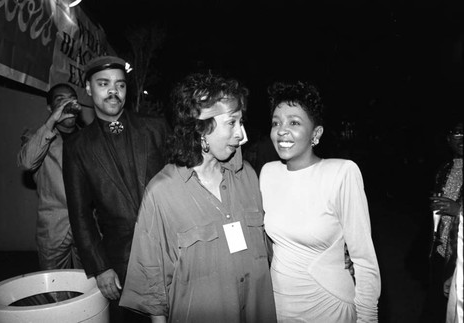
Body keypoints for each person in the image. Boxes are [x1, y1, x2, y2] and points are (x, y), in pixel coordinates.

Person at [119, 72, 277, 323]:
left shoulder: (247, 176)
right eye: (232, 123)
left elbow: (273, 248)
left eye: (241, 122)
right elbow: (152, 290)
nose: (242, 135)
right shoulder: (162, 193)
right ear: (201, 128)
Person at [259, 81, 381, 322]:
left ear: (316, 134)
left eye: (294, 122)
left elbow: (364, 259)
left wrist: (368, 317)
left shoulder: (342, 172)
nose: (282, 130)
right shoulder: (267, 173)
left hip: (328, 306)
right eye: (276, 122)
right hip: (277, 305)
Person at [62, 55, 169, 322]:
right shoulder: (77, 146)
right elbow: (80, 214)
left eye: (120, 85)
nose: (113, 91)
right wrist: (100, 267)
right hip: (121, 263)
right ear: (88, 88)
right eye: (103, 83)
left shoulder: (156, 129)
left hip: (170, 251)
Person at [17, 83, 83, 271]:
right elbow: (27, 163)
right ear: (50, 108)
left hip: (87, 229)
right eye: (60, 100)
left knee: (91, 290)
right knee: (56, 291)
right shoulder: (39, 137)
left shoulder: (89, 137)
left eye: (71, 98)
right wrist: (51, 122)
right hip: (54, 230)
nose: (67, 103)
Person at [424, 120, 463, 323]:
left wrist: (459, 210)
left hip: (461, 258)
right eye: (457, 133)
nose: (462, 138)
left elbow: (456, 209)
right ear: (448, 140)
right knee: (437, 306)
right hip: (442, 250)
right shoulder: (445, 168)